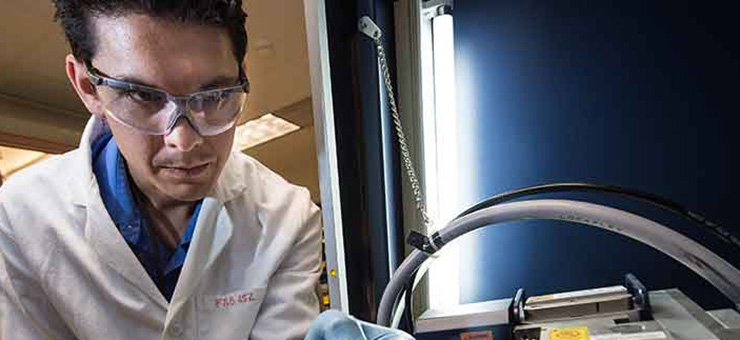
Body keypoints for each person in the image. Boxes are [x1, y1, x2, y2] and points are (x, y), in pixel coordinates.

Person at [0, 1, 322, 339]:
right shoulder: (19, 219)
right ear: (87, 86)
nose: (183, 140)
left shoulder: (288, 217)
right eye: (142, 96)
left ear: (242, 74)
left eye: (213, 95)